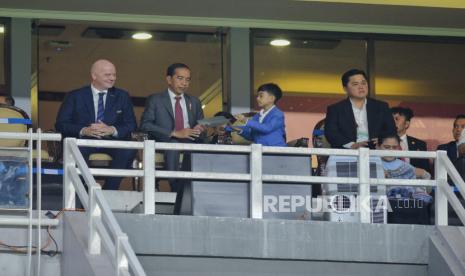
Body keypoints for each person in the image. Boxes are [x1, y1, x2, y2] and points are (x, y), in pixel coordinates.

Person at [55, 59, 137, 190]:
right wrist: (84, 130)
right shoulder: (75, 96)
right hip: (84, 141)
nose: (112, 78)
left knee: (128, 150)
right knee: (76, 152)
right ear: (94, 75)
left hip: (111, 141)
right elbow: (61, 124)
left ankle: (108, 191)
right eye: (107, 75)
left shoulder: (122, 96)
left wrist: (112, 129)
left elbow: (131, 124)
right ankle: (85, 191)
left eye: (114, 75)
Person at [140, 63, 205, 214]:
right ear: (169, 79)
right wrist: (174, 133)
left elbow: (201, 126)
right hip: (166, 141)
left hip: (190, 141)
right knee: (173, 144)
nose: (184, 83)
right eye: (180, 78)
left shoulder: (194, 101)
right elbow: (145, 125)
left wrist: (200, 129)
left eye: (188, 80)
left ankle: (198, 188)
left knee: (202, 147)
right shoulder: (155, 100)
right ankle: (176, 188)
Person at [325, 69, 396, 149]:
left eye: (363, 83)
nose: (361, 87)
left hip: (375, 151)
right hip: (346, 152)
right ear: (345, 89)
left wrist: (382, 140)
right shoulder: (335, 109)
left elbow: (391, 130)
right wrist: (352, 145)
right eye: (355, 84)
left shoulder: (381, 107)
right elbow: (331, 133)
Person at [377, 134, 431, 202]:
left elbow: (426, 180)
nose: (391, 150)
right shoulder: (370, 164)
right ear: (378, 147)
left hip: (404, 206)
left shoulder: (406, 167)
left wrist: (423, 174)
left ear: (399, 148)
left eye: (394, 147)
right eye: (386, 147)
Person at [391, 107, 430, 172]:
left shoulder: (420, 145)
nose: (392, 121)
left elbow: (426, 170)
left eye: (396, 119)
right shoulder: (381, 142)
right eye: (391, 119)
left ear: (406, 124)